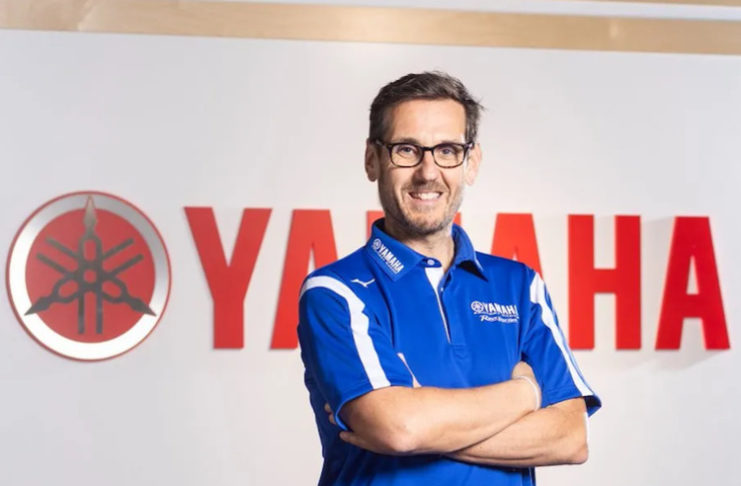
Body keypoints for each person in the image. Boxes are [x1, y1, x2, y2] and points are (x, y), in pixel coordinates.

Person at [297, 71, 601, 485]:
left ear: (471, 163)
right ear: (372, 159)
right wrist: (525, 393)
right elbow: (398, 428)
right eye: (407, 149)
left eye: (447, 150)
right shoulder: (336, 292)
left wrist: (422, 426)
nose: (428, 172)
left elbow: (570, 438)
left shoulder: (520, 287)